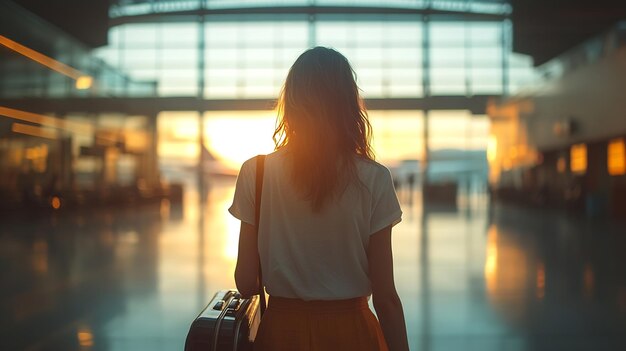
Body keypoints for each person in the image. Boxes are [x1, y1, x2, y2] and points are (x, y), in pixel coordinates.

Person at [229, 46, 409, 351]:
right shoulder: (375, 178)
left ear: (292, 103)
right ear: (348, 105)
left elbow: (246, 280)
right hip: (353, 333)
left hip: (282, 334)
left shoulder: (255, 172)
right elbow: (386, 297)